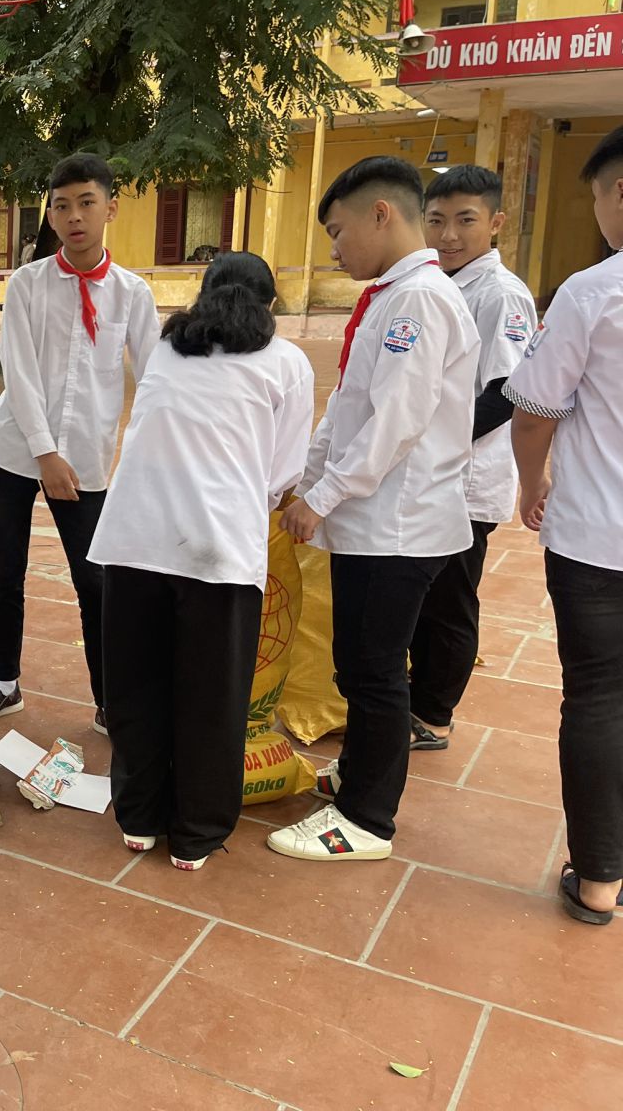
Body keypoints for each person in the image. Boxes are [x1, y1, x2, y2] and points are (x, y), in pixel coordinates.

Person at [269, 156, 479, 863]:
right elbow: (349, 407)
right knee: (358, 665)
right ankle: (357, 775)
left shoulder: (419, 300)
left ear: (381, 214)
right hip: (373, 521)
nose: (334, 249)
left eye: (337, 231)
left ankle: (366, 820)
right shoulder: (392, 298)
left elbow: (396, 422)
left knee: (375, 671)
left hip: (399, 526)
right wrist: (305, 481)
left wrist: (323, 497)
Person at [91, 253, 313, 870]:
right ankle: (196, 834)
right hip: (220, 548)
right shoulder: (287, 362)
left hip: (133, 538)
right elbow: (283, 471)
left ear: (203, 296)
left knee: (137, 686)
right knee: (212, 697)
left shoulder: (168, 349)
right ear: (271, 305)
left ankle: (139, 819)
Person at [0, 153, 159, 729]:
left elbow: (154, 380)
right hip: (14, 451)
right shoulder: (27, 285)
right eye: (62, 206)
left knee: (95, 581)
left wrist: (149, 460)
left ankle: (109, 702)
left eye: (86, 203)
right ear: (49, 215)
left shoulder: (132, 294)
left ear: (110, 209)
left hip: (86, 460)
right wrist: (44, 452)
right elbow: (19, 372)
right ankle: (5, 683)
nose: (74, 216)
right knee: (6, 573)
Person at [505, 125, 623, 925]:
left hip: (597, 537)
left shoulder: (591, 292)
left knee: (597, 698)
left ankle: (599, 880)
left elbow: (534, 410)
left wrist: (531, 482)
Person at [409, 165, 536, 750]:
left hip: (467, 479)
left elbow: (507, 392)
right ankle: (416, 699)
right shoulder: (442, 283)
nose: (449, 235)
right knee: (422, 597)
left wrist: (440, 444)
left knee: (449, 603)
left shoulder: (500, 294)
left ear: (496, 222)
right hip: (435, 474)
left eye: (465, 220)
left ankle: (433, 715)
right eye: (437, 220)